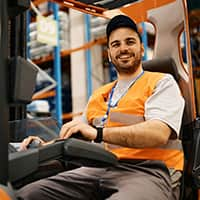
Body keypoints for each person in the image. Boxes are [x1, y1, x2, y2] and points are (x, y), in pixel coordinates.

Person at [16, 14, 185, 200]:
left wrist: (98, 133)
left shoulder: (161, 82)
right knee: (28, 194)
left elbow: (158, 133)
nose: (123, 49)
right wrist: (43, 146)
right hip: (100, 166)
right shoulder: (99, 94)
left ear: (142, 48)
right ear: (109, 54)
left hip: (148, 170)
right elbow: (78, 134)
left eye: (130, 42)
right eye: (116, 44)